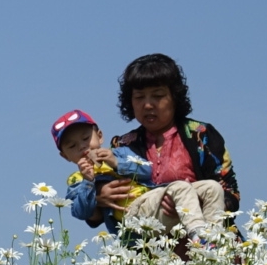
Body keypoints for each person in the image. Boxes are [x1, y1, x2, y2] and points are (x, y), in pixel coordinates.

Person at [93, 54, 238, 229]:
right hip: (148, 250)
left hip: (207, 249)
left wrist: (191, 205)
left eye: (158, 95)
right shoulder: (121, 146)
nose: (147, 105)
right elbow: (95, 217)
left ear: (175, 98)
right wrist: (99, 198)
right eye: (139, 97)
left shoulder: (201, 135)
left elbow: (231, 194)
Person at [52, 108, 221, 237]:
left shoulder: (119, 153)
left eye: (85, 138)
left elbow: (147, 170)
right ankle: (200, 237)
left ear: (100, 136)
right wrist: (89, 183)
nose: (82, 146)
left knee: (211, 188)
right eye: (72, 146)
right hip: (133, 219)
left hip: (154, 203)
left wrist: (116, 163)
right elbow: (81, 212)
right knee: (181, 187)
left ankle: (216, 240)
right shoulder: (76, 180)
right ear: (65, 156)